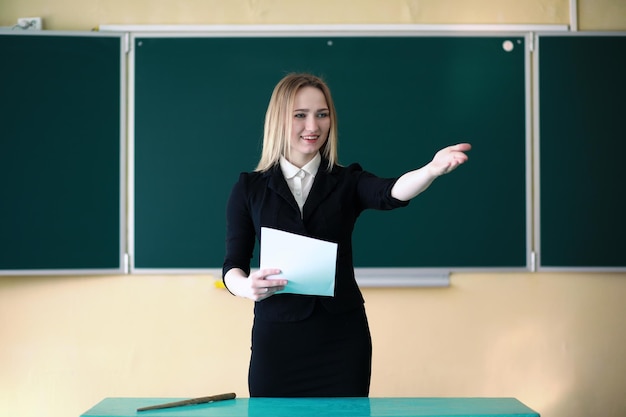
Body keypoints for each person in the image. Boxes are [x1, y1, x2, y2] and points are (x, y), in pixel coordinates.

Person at [222, 73, 471, 398]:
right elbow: (232, 266)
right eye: (300, 115)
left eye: (321, 114)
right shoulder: (249, 188)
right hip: (278, 342)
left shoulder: (347, 181)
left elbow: (390, 192)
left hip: (341, 340)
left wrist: (430, 171)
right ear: (279, 119)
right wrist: (245, 286)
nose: (313, 126)